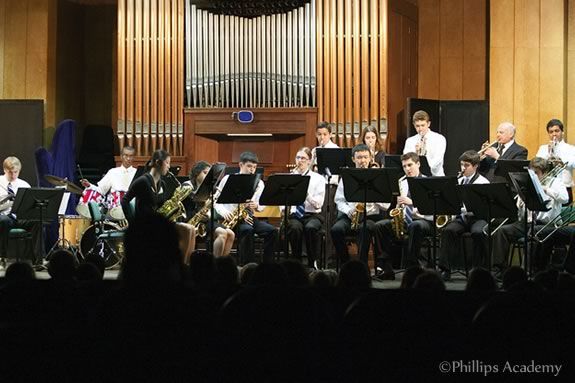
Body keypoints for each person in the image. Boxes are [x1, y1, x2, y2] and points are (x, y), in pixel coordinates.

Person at [491, 157, 568, 272]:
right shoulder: (527, 183)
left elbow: (565, 199)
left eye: (537, 173)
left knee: (533, 233)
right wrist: (521, 201)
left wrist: (546, 190)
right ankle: (498, 270)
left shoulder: (555, 182)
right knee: (502, 231)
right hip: (526, 222)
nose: (535, 176)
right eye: (533, 173)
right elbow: (519, 210)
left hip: (547, 224)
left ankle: (527, 271)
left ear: (545, 172)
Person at [121, 149, 196, 264]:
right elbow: (125, 201)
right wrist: (133, 223)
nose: (169, 167)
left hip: (158, 222)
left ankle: (185, 266)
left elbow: (162, 205)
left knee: (191, 229)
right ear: (157, 162)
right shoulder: (142, 181)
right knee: (185, 230)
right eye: (167, 163)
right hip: (146, 223)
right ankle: (179, 266)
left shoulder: (163, 184)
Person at [375, 152, 433, 280]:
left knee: (415, 225)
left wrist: (412, 202)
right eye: (404, 166)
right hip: (404, 221)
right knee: (380, 226)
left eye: (410, 165)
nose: (407, 169)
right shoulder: (401, 182)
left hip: (423, 220)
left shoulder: (428, 182)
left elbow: (431, 208)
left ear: (418, 164)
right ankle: (386, 268)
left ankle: (413, 269)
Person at [214, 151, 277, 264]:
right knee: (247, 230)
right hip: (230, 218)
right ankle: (246, 265)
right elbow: (215, 200)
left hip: (248, 217)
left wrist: (256, 205)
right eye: (249, 166)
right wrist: (224, 212)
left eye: (254, 167)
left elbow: (261, 205)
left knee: (271, 231)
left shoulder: (259, 183)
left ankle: (268, 264)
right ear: (240, 165)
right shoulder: (228, 179)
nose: (252, 170)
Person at [330, 144, 387, 268]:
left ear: (371, 158)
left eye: (366, 157)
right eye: (359, 157)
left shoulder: (378, 176)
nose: (363, 161)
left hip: (370, 216)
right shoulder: (346, 176)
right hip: (350, 215)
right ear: (353, 159)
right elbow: (339, 200)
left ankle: (362, 266)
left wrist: (374, 196)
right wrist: (349, 211)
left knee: (365, 229)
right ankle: (346, 264)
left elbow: (386, 205)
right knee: (336, 230)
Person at [437, 150, 489, 281]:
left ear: (476, 166)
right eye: (461, 165)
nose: (463, 168)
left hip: (478, 217)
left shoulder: (483, 182)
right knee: (448, 230)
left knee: (478, 232)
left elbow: (482, 207)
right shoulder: (459, 181)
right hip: (462, 218)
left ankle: (477, 269)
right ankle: (445, 269)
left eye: (466, 165)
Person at [283, 147, 326, 269]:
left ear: (309, 161)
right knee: (295, 228)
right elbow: (282, 198)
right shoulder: (289, 177)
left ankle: (313, 262)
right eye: (298, 158)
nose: (300, 161)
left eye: (303, 158)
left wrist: (305, 193)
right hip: (295, 215)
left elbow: (318, 204)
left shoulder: (318, 179)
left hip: (312, 215)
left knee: (310, 228)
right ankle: (296, 262)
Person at [184, 161, 235, 257]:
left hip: (206, 220)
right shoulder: (187, 185)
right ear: (196, 173)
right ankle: (214, 265)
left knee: (231, 234)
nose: (208, 176)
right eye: (205, 172)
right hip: (192, 220)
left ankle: (221, 264)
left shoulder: (210, 189)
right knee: (222, 233)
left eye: (209, 173)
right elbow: (191, 199)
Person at [0, 156, 42, 266]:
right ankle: (2, 257)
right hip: (4, 215)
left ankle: (38, 260)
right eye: (10, 172)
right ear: (5, 170)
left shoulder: (24, 184)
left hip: (19, 216)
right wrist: (8, 204)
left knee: (38, 221)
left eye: (16, 172)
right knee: (3, 221)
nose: (13, 175)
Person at [79, 146, 136, 220]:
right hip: (114, 210)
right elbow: (101, 190)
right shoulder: (112, 172)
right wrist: (89, 185)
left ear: (134, 157)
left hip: (132, 210)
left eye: (131, 156)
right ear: (121, 156)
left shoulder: (137, 173)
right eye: (126, 155)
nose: (128, 158)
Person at [535, 118, 575, 203]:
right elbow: (537, 165)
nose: (554, 134)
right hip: (546, 188)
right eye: (551, 132)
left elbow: (573, 164)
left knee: (564, 215)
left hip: (565, 187)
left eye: (557, 131)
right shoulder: (543, 148)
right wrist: (549, 153)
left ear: (562, 132)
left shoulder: (571, 149)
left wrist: (560, 158)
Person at [403, 110, 446, 176]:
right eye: (417, 126)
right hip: (416, 178)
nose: (420, 129)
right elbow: (406, 160)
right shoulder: (410, 141)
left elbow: (437, 161)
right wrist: (416, 153)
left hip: (435, 177)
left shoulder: (439, 139)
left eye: (423, 125)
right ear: (414, 125)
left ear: (428, 124)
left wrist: (424, 155)